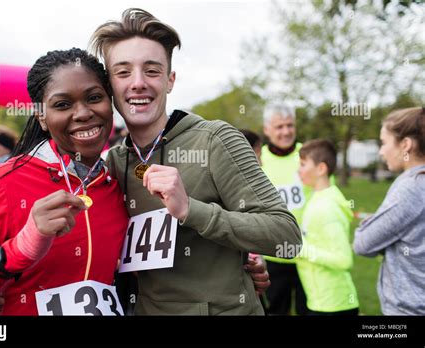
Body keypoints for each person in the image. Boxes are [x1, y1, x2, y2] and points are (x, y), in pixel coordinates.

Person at [91, 8, 301, 315]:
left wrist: (192, 210)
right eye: (123, 72)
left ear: (170, 80)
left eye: (151, 70)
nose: (137, 83)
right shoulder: (114, 162)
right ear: (110, 85)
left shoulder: (216, 140)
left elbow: (287, 235)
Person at [0, 48, 129, 315]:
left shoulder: (117, 185)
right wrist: (19, 249)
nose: (82, 113)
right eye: (62, 104)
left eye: (94, 98)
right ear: (41, 118)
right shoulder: (1, 183)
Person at [353, 107, 425, 315]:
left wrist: (374, 220)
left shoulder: (410, 188)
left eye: (384, 143)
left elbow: (363, 243)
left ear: (406, 145)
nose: (381, 151)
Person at [296, 139, 359, 315]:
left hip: (334, 305)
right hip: (321, 302)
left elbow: (343, 259)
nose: (298, 171)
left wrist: (303, 249)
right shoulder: (319, 198)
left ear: (321, 169)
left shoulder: (326, 207)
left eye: (302, 165)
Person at [259, 104, 308, 315]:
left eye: (290, 125)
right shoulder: (256, 159)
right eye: (279, 127)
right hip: (273, 252)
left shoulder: (308, 154)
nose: (286, 131)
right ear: (266, 129)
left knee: (310, 309)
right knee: (277, 310)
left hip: (309, 253)